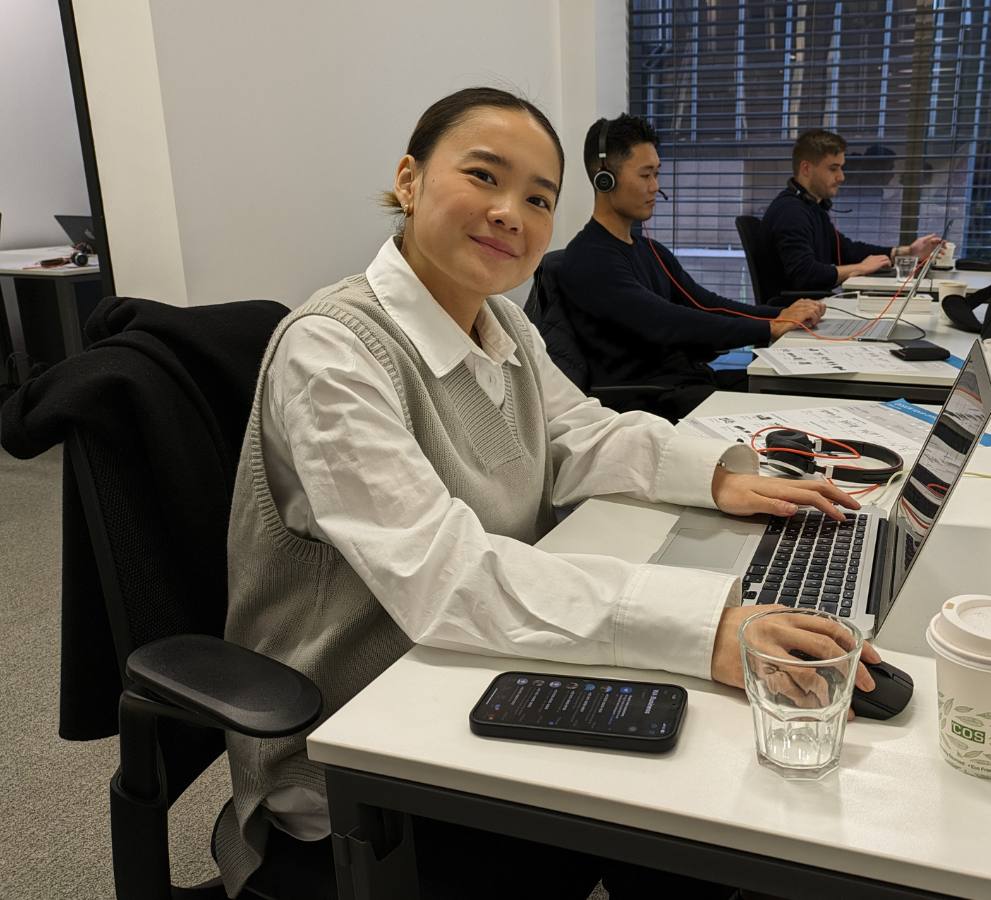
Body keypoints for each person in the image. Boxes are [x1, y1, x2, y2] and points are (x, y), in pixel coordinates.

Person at [216, 87, 881, 899]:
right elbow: (444, 575)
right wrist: (707, 623)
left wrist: (728, 477)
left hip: (473, 669)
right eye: (484, 177)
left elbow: (580, 433)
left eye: (537, 198)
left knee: (707, 769)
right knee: (696, 796)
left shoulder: (501, 322)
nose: (510, 213)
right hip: (362, 740)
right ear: (410, 180)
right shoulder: (332, 353)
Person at [559, 114, 826, 421]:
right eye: (646, 175)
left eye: (657, 174)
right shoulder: (590, 259)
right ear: (603, 178)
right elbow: (669, 322)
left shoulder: (649, 249)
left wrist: (779, 314)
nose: (655, 187)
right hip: (651, 405)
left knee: (805, 397)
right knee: (797, 418)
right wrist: (769, 327)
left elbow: (704, 302)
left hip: (688, 386)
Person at [762, 129, 941, 291]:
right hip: (797, 314)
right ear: (806, 169)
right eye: (833, 169)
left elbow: (847, 251)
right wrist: (859, 268)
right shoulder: (790, 212)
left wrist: (907, 252)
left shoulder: (812, 208)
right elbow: (805, 275)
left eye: (841, 168)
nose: (841, 177)